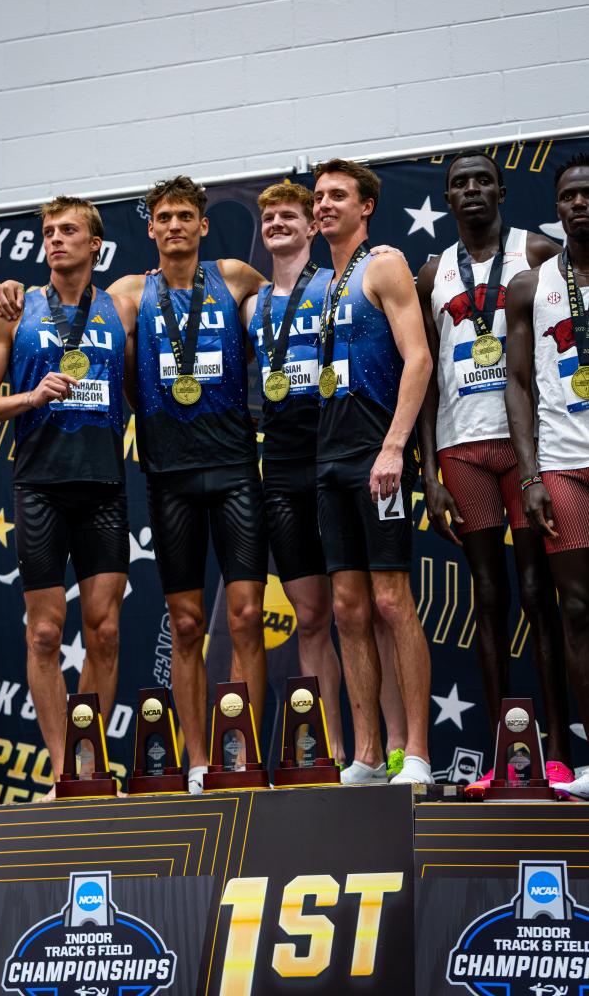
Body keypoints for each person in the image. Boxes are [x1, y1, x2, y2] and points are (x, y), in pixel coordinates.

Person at [417, 150, 572, 794]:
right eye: (461, 183)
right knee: (487, 596)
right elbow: (426, 378)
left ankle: (557, 752)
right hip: (461, 448)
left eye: (484, 180)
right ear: (448, 198)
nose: (473, 190)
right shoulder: (432, 273)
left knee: (538, 592)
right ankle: (500, 755)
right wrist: (428, 472)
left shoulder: (535, 253)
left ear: (502, 190)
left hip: (524, 445)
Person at [0, 196, 137, 795]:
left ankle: (89, 765)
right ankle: (64, 771)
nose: (55, 239)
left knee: (106, 632)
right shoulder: (15, 309)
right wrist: (31, 397)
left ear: (96, 244)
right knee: (44, 633)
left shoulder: (121, 306)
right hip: (40, 487)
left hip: (103, 488)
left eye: (69, 230)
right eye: (48, 231)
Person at [109, 176, 269, 793]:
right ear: (150, 227)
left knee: (247, 615)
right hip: (169, 475)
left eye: (184, 216)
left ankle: (245, 757)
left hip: (235, 469)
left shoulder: (235, 277)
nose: (174, 225)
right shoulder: (129, 292)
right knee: (185, 624)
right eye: (163, 217)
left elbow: (288, 304)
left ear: (203, 224)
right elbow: (77, 318)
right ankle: (199, 761)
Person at [313, 158, 434, 785]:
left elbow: (419, 360)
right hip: (330, 459)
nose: (323, 204)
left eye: (338, 195)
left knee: (390, 599)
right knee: (348, 608)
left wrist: (393, 448)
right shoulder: (326, 282)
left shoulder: (382, 264)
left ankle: (416, 753)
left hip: (375, 456)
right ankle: (367, 753)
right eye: (319, 196)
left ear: (366, 207)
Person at [242, 182, 345, 764]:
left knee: (358, 612)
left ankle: (380, 749)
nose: (277, 223)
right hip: (280, 469)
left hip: (336, 458)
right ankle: (328, 752)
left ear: (312, 227)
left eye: (289, 216)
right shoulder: (252, 305)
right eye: (269, 218)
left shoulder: (337, 286)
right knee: (311, 618)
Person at [505, 153, 589, 799]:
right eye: (568, 196)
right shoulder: (531, 285)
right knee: (577, 610)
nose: (579, 203)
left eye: (587, 193)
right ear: (556, 207)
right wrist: (529, 474)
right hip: (561, 464)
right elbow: (516, 381)